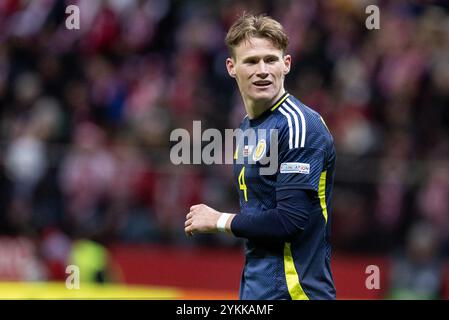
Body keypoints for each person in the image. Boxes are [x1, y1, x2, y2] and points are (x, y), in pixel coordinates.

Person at [184, 13, 336, 300]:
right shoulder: (247, 126)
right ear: (232, 67)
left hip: (295, 292)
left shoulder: (300, 125)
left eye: (271, 59)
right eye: (251, 61)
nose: (263, 70)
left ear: (286, 64)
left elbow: (290, 221)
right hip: (258, 290)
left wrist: (218, 220)